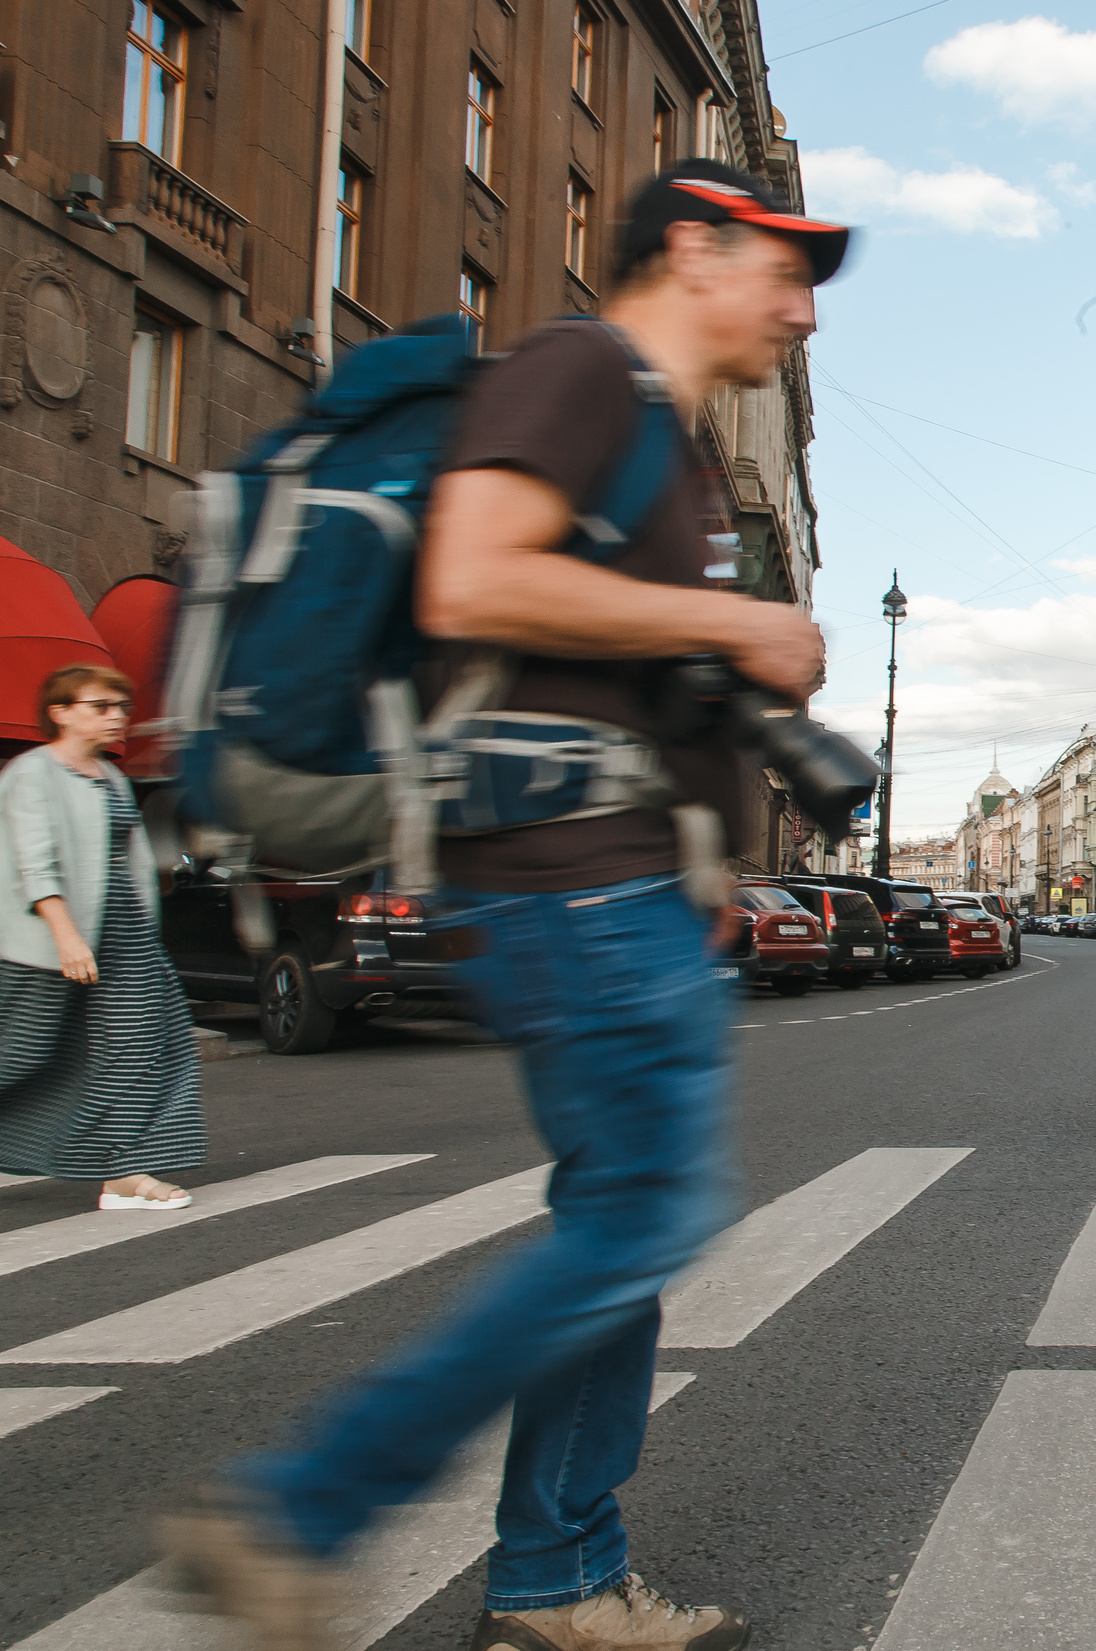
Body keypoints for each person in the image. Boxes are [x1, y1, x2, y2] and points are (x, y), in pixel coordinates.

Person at [165, 161, 847, 1651]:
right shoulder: (579, 367)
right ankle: (306, 1505)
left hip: (621, 874)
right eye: (782, 267)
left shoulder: (660, 445)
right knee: (643, 1211)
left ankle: (558, 1577)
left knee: (620, 1222)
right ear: (689, 246)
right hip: (569, 869)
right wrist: (732, 621)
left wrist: (716, 851)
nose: (802, 308)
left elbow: (612, 661)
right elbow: (477, 578)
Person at [0, 664, 205, 1210]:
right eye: (101, 706)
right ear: (60, 713)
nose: (117, 717)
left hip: (125, 937)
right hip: (51, 944)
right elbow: (35, 865)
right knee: (21, 1054)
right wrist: (67, 940)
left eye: (122, 707)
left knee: (147, 1047)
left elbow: (127, 862)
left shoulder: (110, 777)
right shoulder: (30, 774)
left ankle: (124, 1173)